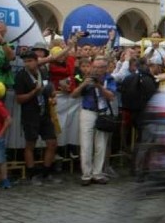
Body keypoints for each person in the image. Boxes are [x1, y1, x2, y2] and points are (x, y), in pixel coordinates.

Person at [14, 50, 60, 185]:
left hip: (44, 113)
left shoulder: (43, 72)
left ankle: (46, 172)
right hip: (30, 114)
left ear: (36, 61)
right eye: (25, 61)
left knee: (52, 142)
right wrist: (34, 92)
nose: (27, 64)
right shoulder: (21, 76)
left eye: (30, 61)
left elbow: (50, 89)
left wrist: (53, 96)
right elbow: (19, 99)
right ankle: (32, 174)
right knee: (30, 144)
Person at [71, 56, 117, 185]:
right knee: (86, 145)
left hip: (102, 113)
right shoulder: (85, 78)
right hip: (88, 112)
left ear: (105, 68)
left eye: (100, 67)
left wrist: (99, 86)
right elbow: (73, 95)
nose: (96, 70)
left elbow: (111, 96)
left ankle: (97, 173)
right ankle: (86, 174)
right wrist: (84, 84)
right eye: (95, 67)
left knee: (100, 145)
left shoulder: (110, 79)